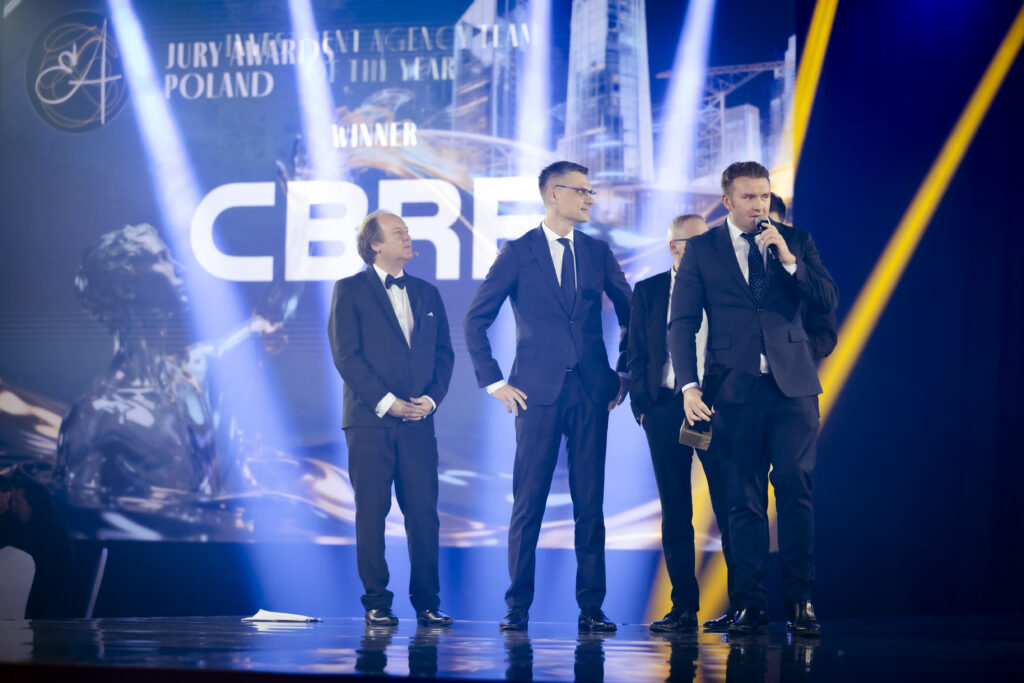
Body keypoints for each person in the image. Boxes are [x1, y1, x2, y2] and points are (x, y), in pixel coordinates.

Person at [669, 161, 838, 636]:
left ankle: (802, 601)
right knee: (743, 499)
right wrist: (689, 385)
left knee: (795, 488)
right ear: (727, 201)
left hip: (792, 391)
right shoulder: (702, 249)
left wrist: (789, 260)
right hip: (733, 389)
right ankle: (750, 604)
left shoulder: (795, 240)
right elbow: (682, 323)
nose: (759, 206)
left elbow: (826, 300)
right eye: (748, 198)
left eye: (764, 196)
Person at [463, 161, 632, 632]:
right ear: (553, 193)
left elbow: (632, 313)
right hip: (535, 393)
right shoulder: (518, 252)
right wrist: (494, 382)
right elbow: (475, 319)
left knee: (590, 504)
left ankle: (592, 608)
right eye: (583, 191)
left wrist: (624, 373)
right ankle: (517, 607)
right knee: (528, 501)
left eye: (591, 191)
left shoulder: (597, 251)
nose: (590, 199)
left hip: (593, 392)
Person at [328, 210, 455, 627]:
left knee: (424, 515)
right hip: (369, 422)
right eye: (398, 232)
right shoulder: (349, 289)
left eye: (408, 231)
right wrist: (388, 402)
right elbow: (346, 356)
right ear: (375, 244)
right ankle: (377, 603)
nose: (408, 236)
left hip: (419, 422)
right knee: (372, 513)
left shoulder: (427, 293)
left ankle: (428, 603)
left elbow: (444, 355)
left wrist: (430, 401)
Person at [627, 214, 737, 632]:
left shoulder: (723, 288)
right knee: (675, 512)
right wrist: (643, 407)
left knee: (729, 507)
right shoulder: (649, 290)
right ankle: (684, 608)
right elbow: (635, 352)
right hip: (665, 408)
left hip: (715, 406)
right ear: (674, 247)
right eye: (697, 242)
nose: (708, 250)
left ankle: (744, 605)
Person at [10, 476, 79, 618]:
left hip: (45, 610)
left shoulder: (42, 536)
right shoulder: (51, 529)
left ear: (33, 506)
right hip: (55, 604)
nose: (13, 507)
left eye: (18, 502)